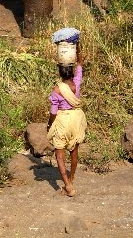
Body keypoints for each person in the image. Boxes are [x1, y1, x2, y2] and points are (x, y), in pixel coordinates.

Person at [47, 27, 87, 197]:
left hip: (63, 121)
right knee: (74, 151)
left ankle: (68, 186)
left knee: (60, 156)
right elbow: (80, 63)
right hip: (76, 119)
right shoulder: (76, 83)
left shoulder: (57, 90)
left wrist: (49, 124)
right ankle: (71, 179)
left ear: (59, 71)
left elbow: (54, 112)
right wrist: (76, 46)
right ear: (71, 71)